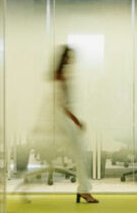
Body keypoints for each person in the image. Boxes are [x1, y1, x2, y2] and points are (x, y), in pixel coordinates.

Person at [28, 46, 98, 204]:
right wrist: (76, 120)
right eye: (70, 57)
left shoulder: (58, 76)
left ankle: (84, 189)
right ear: (65, 59)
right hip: (62, 118)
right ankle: (84, 191)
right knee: (80, 152)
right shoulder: (60, 78)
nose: (72, 60)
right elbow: (62, 104)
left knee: (80, 151)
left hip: (59, 118)